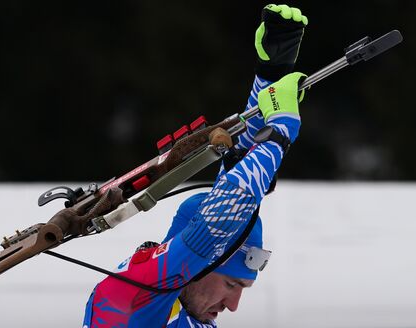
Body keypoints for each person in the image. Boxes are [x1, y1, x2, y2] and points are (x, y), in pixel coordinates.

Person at [83, 4, 309, 327]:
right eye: (231, 284)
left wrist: (270, 78)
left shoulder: (185, 307)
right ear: (201, 264)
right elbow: (218, 220)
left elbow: (232, 186)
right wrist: (281, 132)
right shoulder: (125, 297)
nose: (233, 306)